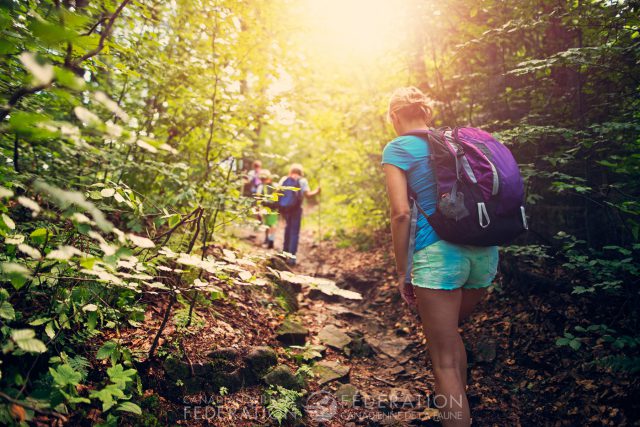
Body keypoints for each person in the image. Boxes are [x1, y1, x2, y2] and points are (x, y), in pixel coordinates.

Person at [382, 86, 499, 427]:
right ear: (427, 113)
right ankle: (459, 409)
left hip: (438, 258)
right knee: (452, 338)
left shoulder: (398, 147)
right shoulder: (456, 144)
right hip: (485, 252)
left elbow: (400, 213)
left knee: (443, 359)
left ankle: (456, 416)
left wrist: (402, 270)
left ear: (393, 117)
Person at [278, 163, 320, 266]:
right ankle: (292, 258)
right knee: (294, 232)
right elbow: (307, 195)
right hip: (296, 209)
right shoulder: (302, 181)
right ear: (301, 172)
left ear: (290, 171)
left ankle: (284, 253)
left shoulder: (284, 179)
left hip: (286, 209)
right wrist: (317, 191)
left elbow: (278, 192)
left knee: (287, 229)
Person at [256, 170, 278, 249]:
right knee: (268, 224)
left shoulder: (263, 186)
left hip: (271, 208)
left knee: (271, 224)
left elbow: (258, 199)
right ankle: (268, 240)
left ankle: (270, 240)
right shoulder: (263, 186)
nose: (263, 180)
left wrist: (258, 208)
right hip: (268, 208)